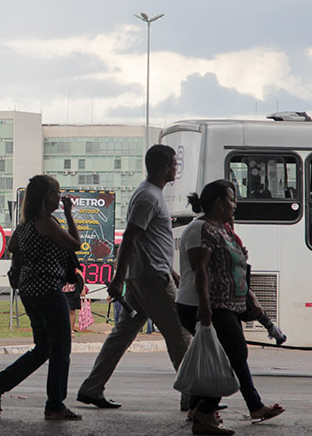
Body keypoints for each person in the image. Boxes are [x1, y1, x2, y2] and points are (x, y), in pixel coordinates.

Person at [77, 144, 191, 409]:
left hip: (147, 276)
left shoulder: (150, 194)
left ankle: (92, 388)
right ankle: (194, 397)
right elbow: (130, 237)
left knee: (122, 334)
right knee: (180, 334)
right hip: (150, 280)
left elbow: (147, 241)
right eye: (174, 164)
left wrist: (170, 271)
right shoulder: (148, 196)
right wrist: (118, 279)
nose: (176, 168)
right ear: (165, 168)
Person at [176, 180, 284, 435]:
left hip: (225, 304)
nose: (235, 204)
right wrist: (205, 310)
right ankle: (206, 412)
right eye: (232, 199)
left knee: (226, 354)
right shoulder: (199, 229)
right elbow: (200, 270)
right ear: (218, 203)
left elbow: (232, 266)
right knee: (234, 353)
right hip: (205, 305)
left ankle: (200, 408)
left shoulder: (221, 228)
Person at [0, 175, 83, 420]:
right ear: (46, 196)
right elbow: (75, 244)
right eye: (57, 193)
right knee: (61, 349)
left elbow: (13, 247)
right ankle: (55, 405)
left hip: (29, 293)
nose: (60, 197)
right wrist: (69, 215)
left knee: (44, 347)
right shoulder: (47, 223)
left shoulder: (24, 227)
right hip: (49, 291)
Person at [63, 267, 87, 337]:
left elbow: (80, 275)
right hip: (62, 291)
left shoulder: (75, 268)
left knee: (72, 311)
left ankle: (71, 330)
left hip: (73, 291)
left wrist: (83, 289)